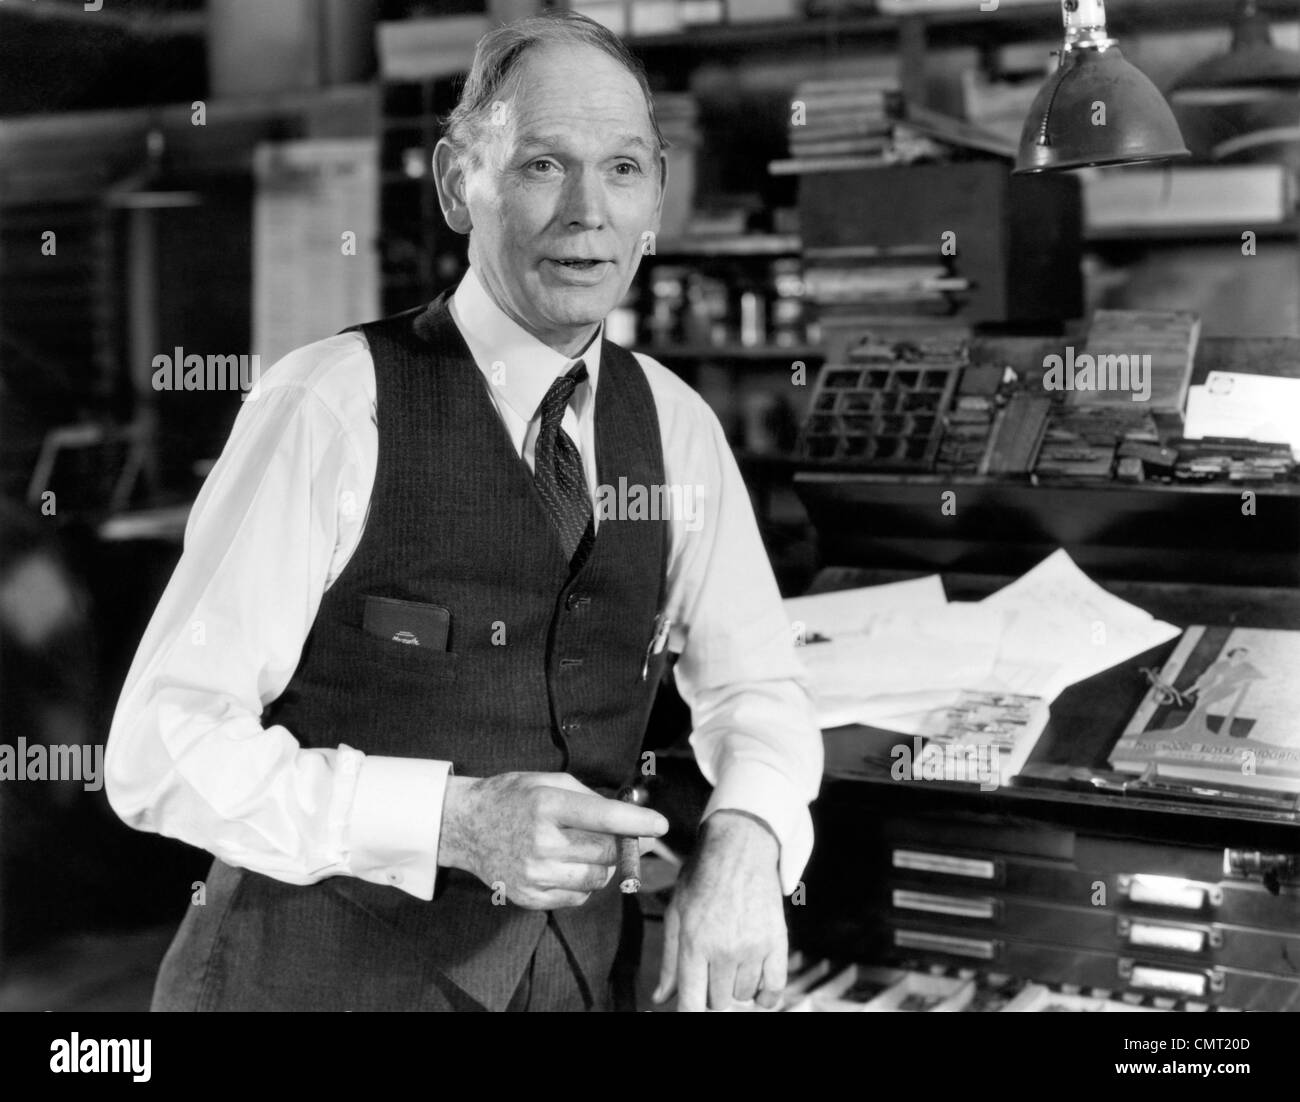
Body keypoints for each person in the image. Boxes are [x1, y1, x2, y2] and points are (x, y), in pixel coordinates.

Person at [106, 9, 822, 1013]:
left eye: (623, 168)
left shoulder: (675, 425)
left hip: (580, 978)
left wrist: (748, 834)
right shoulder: (329, 406)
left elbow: (761, 688)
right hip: (311, 981)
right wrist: (447, 819)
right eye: (541, 165)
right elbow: (157, 748)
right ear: (457, 184)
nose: (588, 212)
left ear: (656, 195)